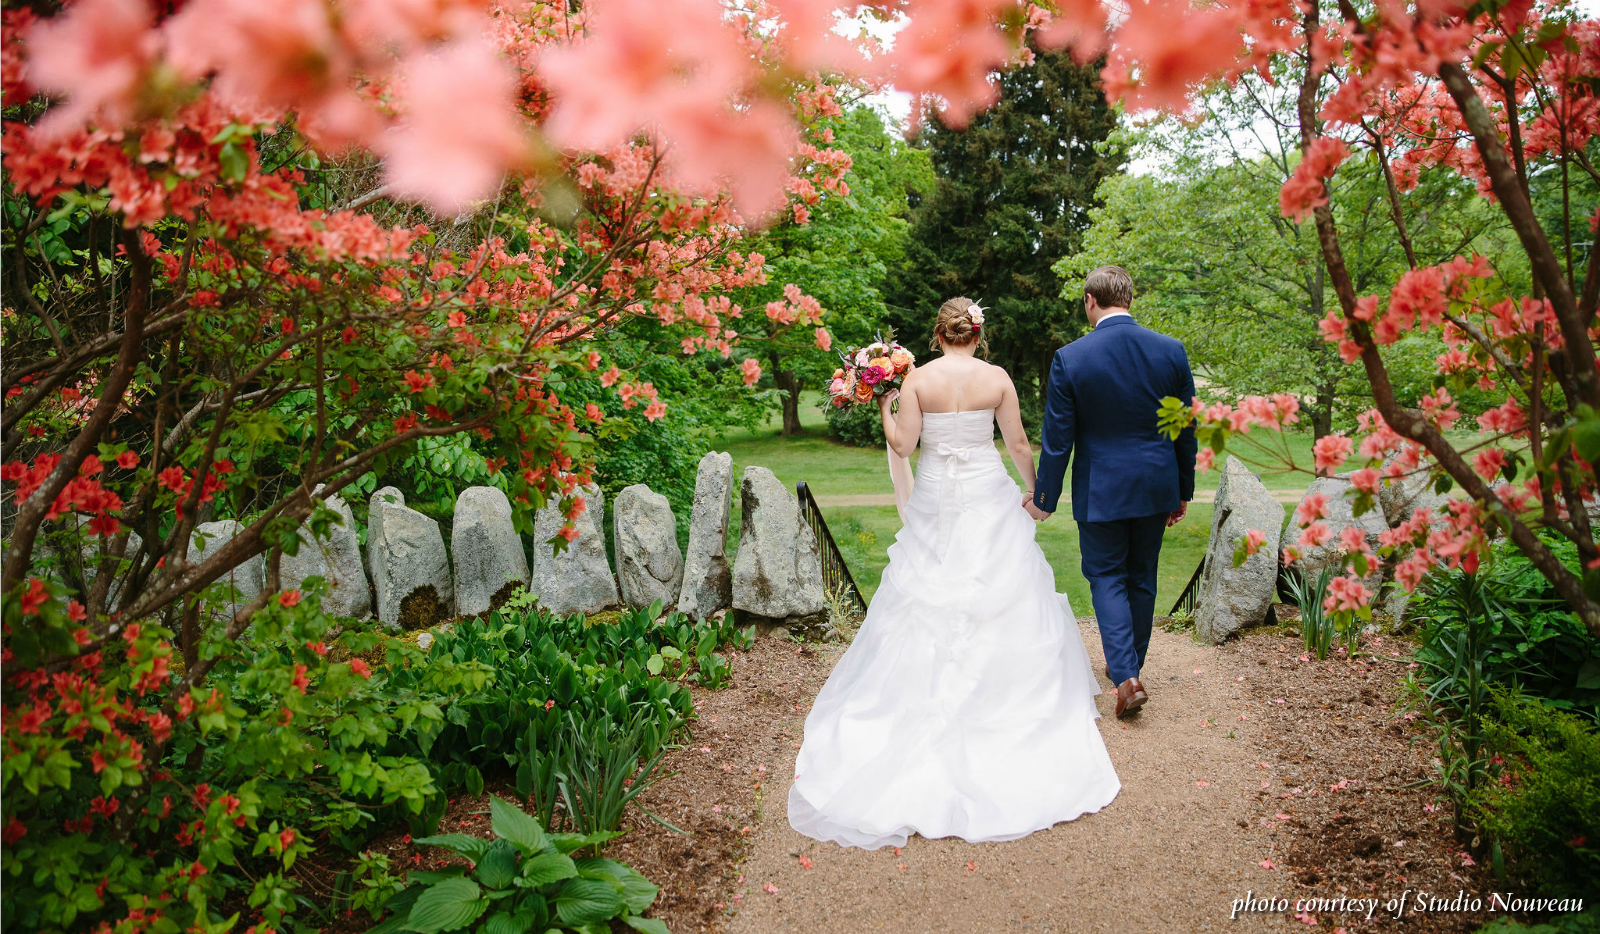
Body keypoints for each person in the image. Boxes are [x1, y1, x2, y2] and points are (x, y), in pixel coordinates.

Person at [786, 296, 1120, 851]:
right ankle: (1004, 696)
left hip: (938, 494)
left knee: (928, 588)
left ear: (938, 335)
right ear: (977, 334)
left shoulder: (918, 381)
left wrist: (884, 405)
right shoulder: (997, 378)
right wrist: (1038, 494)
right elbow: (1015, 442)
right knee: (999, 585)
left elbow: (903, 445)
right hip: (987, 491)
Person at [1028, 265, 1198, 718]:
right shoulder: (1171, 351)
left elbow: (1057, 440)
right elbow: (1185, 429)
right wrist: (1184, 489)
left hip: (1101, 489)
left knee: (1106, 576)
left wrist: (1044, 500)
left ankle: (1125, 676)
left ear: (1089, 300)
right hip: (1156, 484)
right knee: (1142, 576)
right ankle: (1130, 670)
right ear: (1130, 298)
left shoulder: (1072, 357)